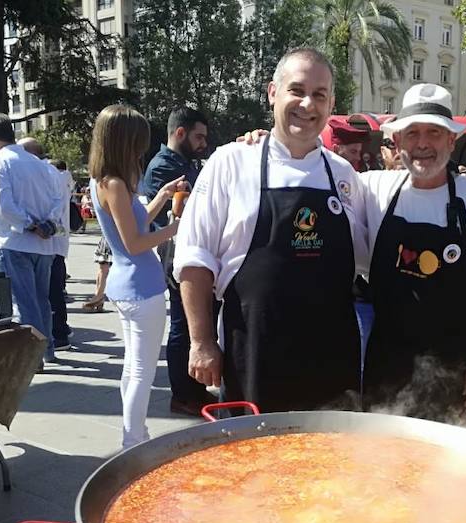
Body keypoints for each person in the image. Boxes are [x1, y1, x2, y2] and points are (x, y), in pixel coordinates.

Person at [175, 48, 367, 413]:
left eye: (319, 94)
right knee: (251, 465)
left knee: (332, 464)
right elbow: (194, 257)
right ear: (272, 93)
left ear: (331, 104)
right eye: (296, 90)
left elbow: (367, 256)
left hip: (331, 357)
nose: (307, 104)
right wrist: (200, 342)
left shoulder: (343, 174)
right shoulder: (231, 162)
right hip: (253, 353)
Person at [358, 84, 466, 429]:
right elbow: (316, 166)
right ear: (397, 141)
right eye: (412, 132)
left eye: (434, 132)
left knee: (461, 476)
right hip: (387, 367)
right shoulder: (373, 190)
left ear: (451, 141)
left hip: (458, 370)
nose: (422, 143)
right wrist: (259, 145)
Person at [88, 104, 184, 447]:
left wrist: (161, 195)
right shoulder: (115, 184)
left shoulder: (103, 181)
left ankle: (135, 434)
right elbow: (135, 241)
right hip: (141, 285)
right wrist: (174, 228)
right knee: (142, 371)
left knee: (133, 368)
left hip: (125, 283)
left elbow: (135, 223)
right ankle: (132, 441)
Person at [141, 106, 215, 415]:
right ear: (179, 133)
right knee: (183, 328)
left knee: (191, 325)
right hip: (176, 256)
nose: (203, 143)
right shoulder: (163, 167)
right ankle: (183, 395)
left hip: (191, 253)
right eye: (199, 137)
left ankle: (195, 391)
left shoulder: (185, 163)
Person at [0, 114, 64, 363]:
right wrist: (47, 223)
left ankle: (31, 356)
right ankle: (46, 349)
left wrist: (30, 224)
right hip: (42, 244)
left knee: (23, 302)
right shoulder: (39, 163)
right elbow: (58, 198)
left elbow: (4, 205)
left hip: (13, 241)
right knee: (40, 299)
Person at [17, 138, 73, 352]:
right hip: (53, 241)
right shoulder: (52, 173)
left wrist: (38, 226)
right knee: (51, 292)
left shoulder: (45, 173)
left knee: (51, 293)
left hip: (48, 241)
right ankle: (58, 334)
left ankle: (57, 334)